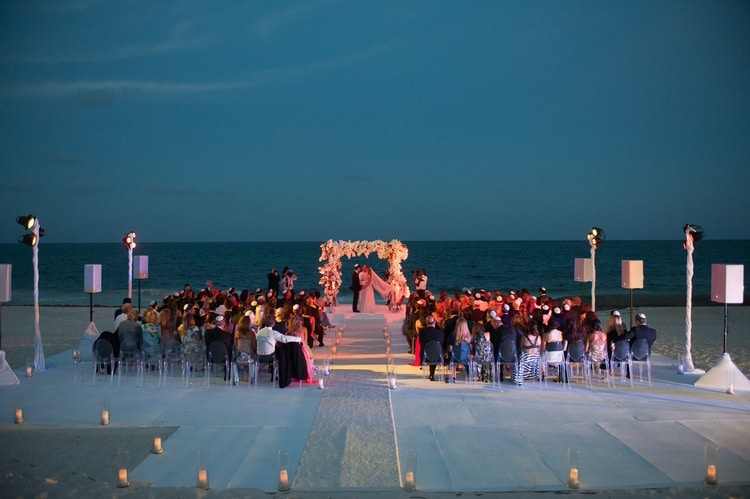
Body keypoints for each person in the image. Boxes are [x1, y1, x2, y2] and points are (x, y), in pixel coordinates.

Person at [513, 320, 541, 385]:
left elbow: (521, 346)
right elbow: (539, 348)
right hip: (535, 357)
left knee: (520, 356)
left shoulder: (524, 337)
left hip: (526, 357)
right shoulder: (539, 337)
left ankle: (518, 378)